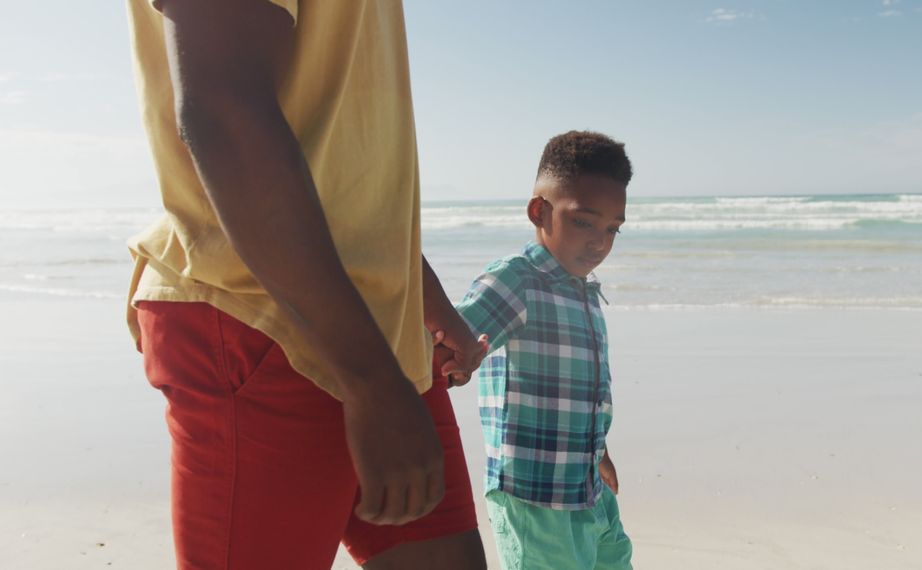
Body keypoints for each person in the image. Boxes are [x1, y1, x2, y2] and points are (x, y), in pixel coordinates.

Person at [124, 0, 487, 567]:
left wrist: (423, 295)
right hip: (265, 311)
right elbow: (223, 112)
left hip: (373, 325)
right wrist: (371, 383)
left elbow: (338, 151)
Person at [455, 130, 635, 569]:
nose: (600, 242)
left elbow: (580, 390)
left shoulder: (583, 289)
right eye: (583, 222)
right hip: (534, 497)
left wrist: (600, 452)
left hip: (587, 487)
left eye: (613, 229)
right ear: (539, 211)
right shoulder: (517, 280)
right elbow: (444, 344)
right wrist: (450, 360)